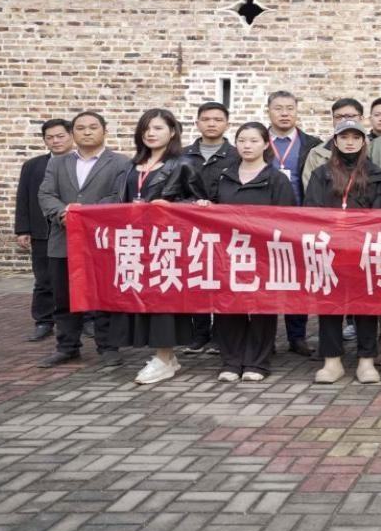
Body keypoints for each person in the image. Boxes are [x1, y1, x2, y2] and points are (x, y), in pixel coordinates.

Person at [114, 108, 206, 384]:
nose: (151, 133)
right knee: (141, 297)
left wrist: (170, 206)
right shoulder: (131, 166)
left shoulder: (183, 164)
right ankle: (164, 356)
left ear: (172, 132)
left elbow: (201, 204)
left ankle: (164, 357)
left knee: (164, 301)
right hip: (134, 243)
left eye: (157, 128)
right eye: (146, 128)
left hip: (167, 244)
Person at [199, 122, 296, 381]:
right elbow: (212, 208)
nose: (247, 146)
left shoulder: (277, 179)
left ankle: (257, 363)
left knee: (262, 308)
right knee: (229, 306)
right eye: (242, 140)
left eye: (254, 141)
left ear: (265, 144)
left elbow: (287, 219)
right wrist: (204, 206)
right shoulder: (224, 176)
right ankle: (231, 361)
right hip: (228, 252)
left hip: (264, 254)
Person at [37, 112, 132, 367]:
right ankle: (67, 347)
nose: (87, 132)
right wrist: (64, 214)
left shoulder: (121, 163)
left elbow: (119, 196)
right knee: (64, 298)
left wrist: (85, 214)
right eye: (80, 128)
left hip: (102, 241)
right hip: (63, 239)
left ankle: (108, 347)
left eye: (92, 127)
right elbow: (46, 194)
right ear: (73, 134)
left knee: (104, 296)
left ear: (104, 131)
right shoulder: (58, 163)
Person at [302, 119, 381, 384]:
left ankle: (366, 360)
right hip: (330, 249)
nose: (350, 142)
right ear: (335, 141)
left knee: (366, 306)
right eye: (344, 137)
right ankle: (332, 360)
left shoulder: (376, 174)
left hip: (364, 250)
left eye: (355, 137)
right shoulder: (322, 173)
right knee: (329, 305)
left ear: (364, 141)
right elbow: (312, 210)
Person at [265, 91, 322, 357]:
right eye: (278, 108)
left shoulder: (312, 144)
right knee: (265, 279)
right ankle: (265, 339)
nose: (284, 113)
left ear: (297, 111)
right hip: (264, 222)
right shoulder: (256, 140)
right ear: (268, 111)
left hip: (301, 220)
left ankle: (297, 336)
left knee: (297, 280)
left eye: (290, 108)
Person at [16, 118, 74, 342]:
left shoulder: (81, 164)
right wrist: (23, 229)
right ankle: (43, 321)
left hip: (74, 229)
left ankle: (86, 319)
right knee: (43, 279)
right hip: (42, 231)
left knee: (78, 277)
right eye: (49, 138)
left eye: (60, 136)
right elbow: (23, 198)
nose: (55, 141)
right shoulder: (33, 166)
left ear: (71, 136)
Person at [302, 97, 365, 180]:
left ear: (361, 119)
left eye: (349, 116)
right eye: (338, 117)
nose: (343, 121)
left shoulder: (374, 149)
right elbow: (309, 184)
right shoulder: (317, 154)